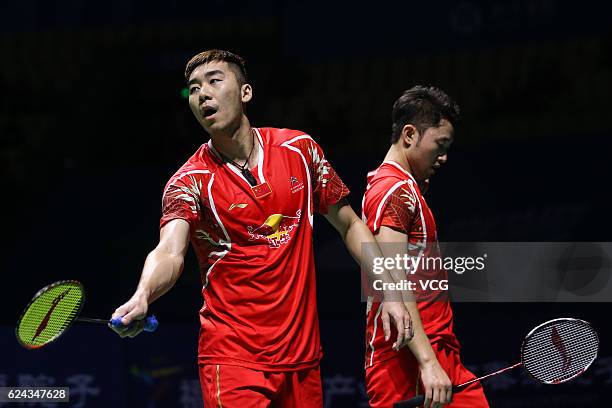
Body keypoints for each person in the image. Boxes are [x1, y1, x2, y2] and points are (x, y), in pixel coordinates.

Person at [108, 49, 412, 407]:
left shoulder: (300, 150)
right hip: (233, 358)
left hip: (302, 359)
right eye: (193, 89)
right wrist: (143, 294)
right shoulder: (188, 182)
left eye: (214, 81)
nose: (202, 94)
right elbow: (170, 251)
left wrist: (390, 291)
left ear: (245, 92)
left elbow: (349, 225)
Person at [362, 86, 489, 408]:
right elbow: (393, 279)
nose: (444, 157)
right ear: (409, 135)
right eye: (439, 145)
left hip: (434, 349)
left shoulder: (405, 189)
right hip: (407, 359)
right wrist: (428, 363)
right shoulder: (393, 191)